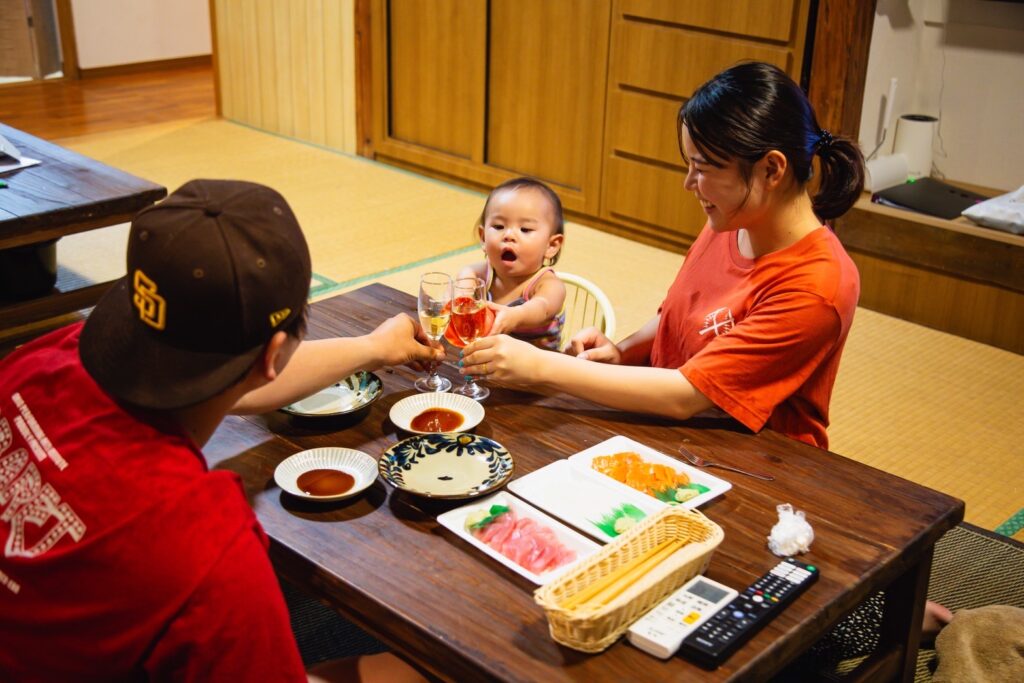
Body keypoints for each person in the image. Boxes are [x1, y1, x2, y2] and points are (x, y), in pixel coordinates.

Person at [0, 179, 440, 682]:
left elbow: (235, 384)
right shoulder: (203, 544)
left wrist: (374, 348)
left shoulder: (40, 358)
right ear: (273, 353)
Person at [460, 62, 863, 450]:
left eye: (703, 168)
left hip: (754, 457)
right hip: (672, 426)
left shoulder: (816, 286)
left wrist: (542, 367)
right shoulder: (734, 218)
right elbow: (680, 314)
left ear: (771, 170)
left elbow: (686, 395)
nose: (690, 183)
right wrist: (624, 350)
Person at [457, 176, 567, 351]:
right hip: (488, 363)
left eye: (525, 229)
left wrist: (515, 316)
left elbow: (542, 307)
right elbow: (466, 274)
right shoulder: (483, 274)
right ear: (483, 238)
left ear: (551, 245)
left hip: (535, 372)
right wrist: (462, 294)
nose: (508, 235)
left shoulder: (548, 285)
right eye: (499, 226)